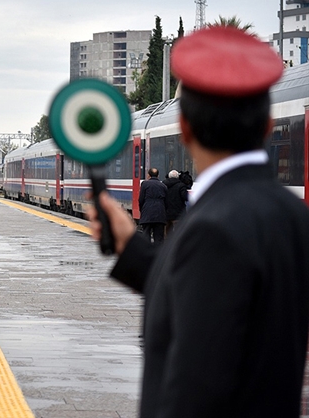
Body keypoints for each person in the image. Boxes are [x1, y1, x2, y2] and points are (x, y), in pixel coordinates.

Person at [87, 26, 309, 417]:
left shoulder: (214, 227)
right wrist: (131, 249)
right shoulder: (290, 214)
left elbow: (196, 387)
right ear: (264, 126)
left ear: (186, 130)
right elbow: (225, 296)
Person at [138, 168, 166, 244]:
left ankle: (146, 252)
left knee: (146, 234)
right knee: (159, 237)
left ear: (148, 175)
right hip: (160, 213)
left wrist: (142, 210)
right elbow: (166, 200)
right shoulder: (163, 185)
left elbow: (141, 199)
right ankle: (159, 253)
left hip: (147, 211)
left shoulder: (145, 184)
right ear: (158, 176)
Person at [163, 169, 188, 236]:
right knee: (178, 232)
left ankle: (167, 245)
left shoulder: (163, 184)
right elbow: (185, 197)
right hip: (178, 212)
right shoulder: (181, 186)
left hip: (166, 212)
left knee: (167, 231)